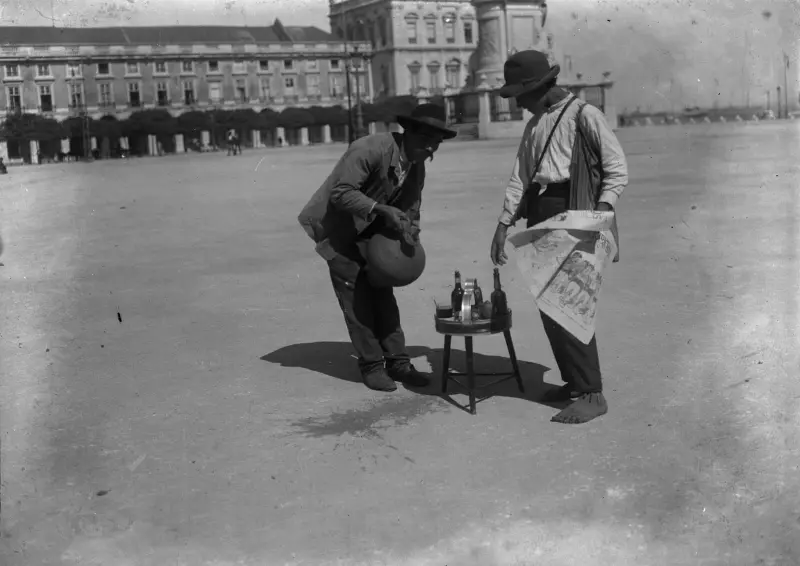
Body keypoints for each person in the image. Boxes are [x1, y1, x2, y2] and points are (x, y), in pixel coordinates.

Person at [488, 50, 629, 424]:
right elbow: (521, 176)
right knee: (550, 305)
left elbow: (616, 170)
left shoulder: (586, 115)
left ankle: (592, 393)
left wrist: (598, 214)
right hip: (540, 210)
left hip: (576, 210)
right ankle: (573, 382)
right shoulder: (534, 124)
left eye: (520, 94)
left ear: (540, 88)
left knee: (572, 303)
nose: (517, 102)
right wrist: (503, 224)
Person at [298, 104, 457, 391]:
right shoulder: (370, 148)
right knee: (357, 298)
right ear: (407, 132)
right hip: (339, 230)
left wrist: (411, 231)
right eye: (424, 139)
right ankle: (371, 365)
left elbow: (412, 205)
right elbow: (341, 192)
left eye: (436, 142)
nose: (430, 147)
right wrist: (380, 209)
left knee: (383, 294)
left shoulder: (417, 165)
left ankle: (398, 362)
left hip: (374, 233)